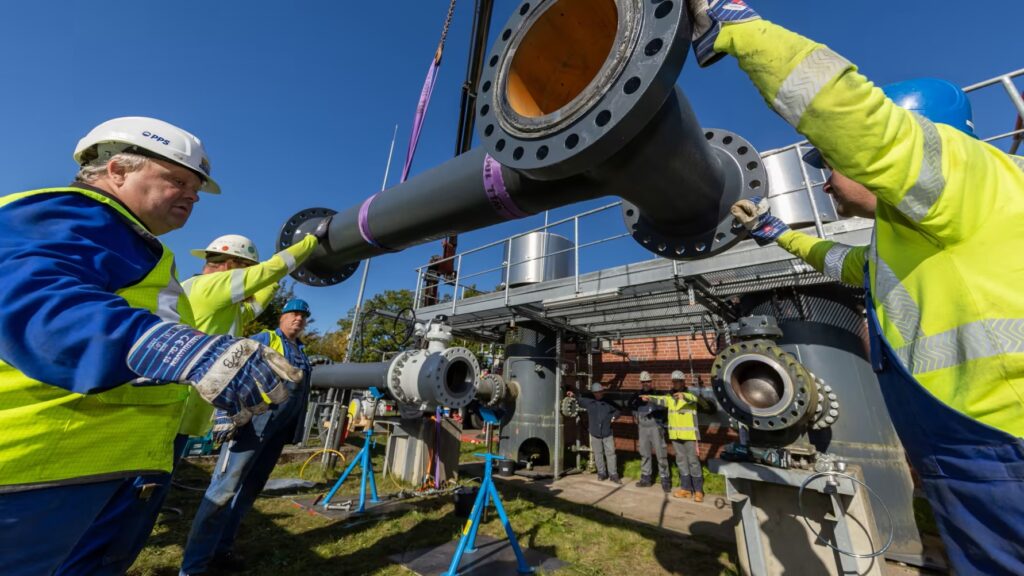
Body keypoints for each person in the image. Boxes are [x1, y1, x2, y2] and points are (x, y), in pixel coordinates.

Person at [689, 0, 1024, 571]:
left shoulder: (967, 174)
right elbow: (847, 264)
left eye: (832, 160)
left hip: (1004, 448)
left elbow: (847, 114)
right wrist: (777, 233)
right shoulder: (916, 238)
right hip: (970, 454)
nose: (824, 177)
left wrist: (738, 28)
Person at [0, 116, 302, 575]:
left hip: (95, 464)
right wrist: (182, 351)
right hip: (31, 474)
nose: (192, 195)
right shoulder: (68, 212)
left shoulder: (135, 243)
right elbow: (29, 294)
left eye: (196, 188)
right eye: (177, 180)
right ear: (117, 171)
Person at [180, 299, 315, 575]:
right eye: (293, 314)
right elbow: (229, 367)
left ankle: (221, 551)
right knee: (222, 491)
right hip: (251, 428)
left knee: (247, 493)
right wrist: (223, 412)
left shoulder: (302, 353)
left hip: (277, 433)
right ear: (282, 317)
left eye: (303, 316)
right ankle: (193, 567)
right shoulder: (266, 338)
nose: (298, 320)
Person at [643, 372, 712, 503]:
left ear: (683, 382)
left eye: (678, 381)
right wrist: (649, 397)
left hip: (689, 436)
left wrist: (684, 396)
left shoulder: (690, 395)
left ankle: (698, 490)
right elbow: (662, 400)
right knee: (681, 461)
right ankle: (685, 489)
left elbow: (697, 400)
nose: (675, 383)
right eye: (673, 381)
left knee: (693, 462)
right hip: (675, 436)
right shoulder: (670, 397)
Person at [568, 383, 622, 483]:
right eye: (596, 392)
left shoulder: (609, 402)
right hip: (594, 432)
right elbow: (579, 399)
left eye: (600, 392)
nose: (598, 394)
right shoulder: (589, 402)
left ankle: (613, 475)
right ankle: (601, 473)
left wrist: (614, 417)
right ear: (593, 393)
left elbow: (618, 410)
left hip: (607, 432)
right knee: (598, 454)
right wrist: (572, 395)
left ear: (603, 392)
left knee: (611, 454)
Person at [628, 371, 671, 492]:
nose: (646, 383)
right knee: (644, 453)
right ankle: (646, 479)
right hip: (642, 427)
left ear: (651, 382)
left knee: (661, 454)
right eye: (643, 382)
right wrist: (636, 414)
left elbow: (665, 406)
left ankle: (665, 479)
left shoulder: (658, 394)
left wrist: (652, 401)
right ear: (641, 383)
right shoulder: (637, 395)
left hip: (656, 426)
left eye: (647, 381)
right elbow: (630, 405)